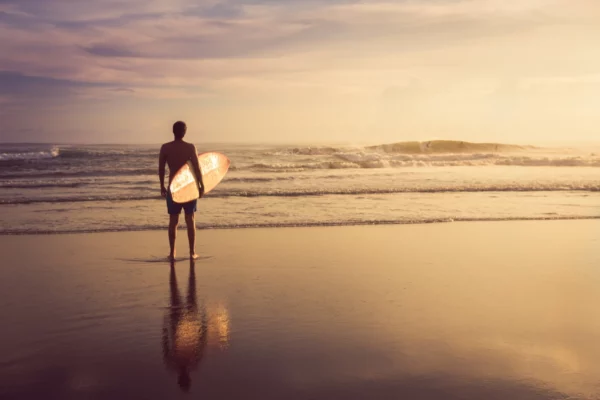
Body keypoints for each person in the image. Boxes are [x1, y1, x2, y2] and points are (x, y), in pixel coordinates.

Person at [159, 121, 204, 261]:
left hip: (173, 188)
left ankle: (172, 253)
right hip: (189, 188)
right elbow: (197, 168)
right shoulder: (190, 148)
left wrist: (162, 186)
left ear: (173, 132)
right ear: (184, 132)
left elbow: (161, 169)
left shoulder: (165, 148)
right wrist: (201, 184)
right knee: (190, 219)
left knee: (173, 221)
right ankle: (192, 252)